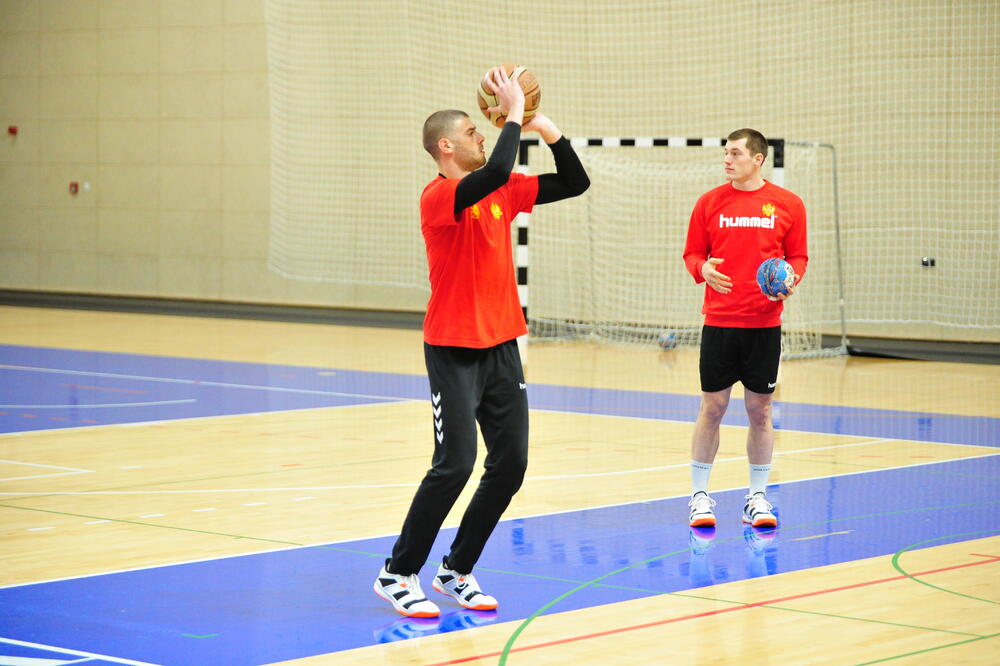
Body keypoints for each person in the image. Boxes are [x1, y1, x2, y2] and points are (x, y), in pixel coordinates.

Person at [374, 67, 590, 618]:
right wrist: (513, 111)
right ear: (445, 145)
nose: (481, 133)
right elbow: (496, 168)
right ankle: (398, 572)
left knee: (511, 463)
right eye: (472, 129)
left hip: (500, 345)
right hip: (452, 347)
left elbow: (574, 182)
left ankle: (457, 569)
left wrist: (545, 126)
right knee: (454, 464)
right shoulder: (440, 196)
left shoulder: (501, 193)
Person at [682, 128, 807, 530]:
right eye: (725, 153)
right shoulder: (709, 203)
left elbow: (799, 256)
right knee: (713, 407)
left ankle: (757, 497)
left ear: (758, 159)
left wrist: (791, 278)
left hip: (764, 325)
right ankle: (699, 496)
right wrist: (702, 269)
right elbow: (692, 253)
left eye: (735, 153)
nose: (727, 159)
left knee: (760, 409)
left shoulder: (788, 204)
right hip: (719, 322)